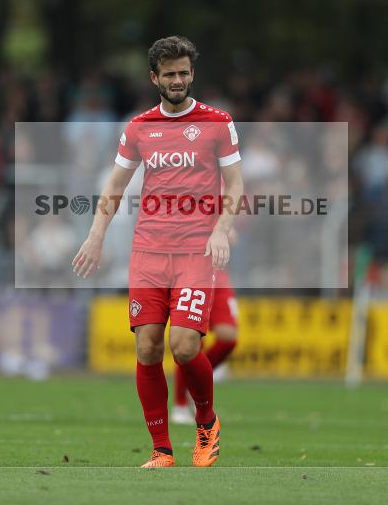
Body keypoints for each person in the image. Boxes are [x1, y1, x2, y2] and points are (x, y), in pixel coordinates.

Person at [72, 36, 243, 468]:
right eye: (170, 74)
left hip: (194, 253)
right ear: (155, 78)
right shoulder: (138, 128)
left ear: (192, 73)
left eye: (184, 72)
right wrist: (96, 235)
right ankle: (162, 450)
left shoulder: (218, 122)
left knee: (185, 346)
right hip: (149, 252)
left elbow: (236, 186)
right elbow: (114, 187)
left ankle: (207, 424)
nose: (178, 80)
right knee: (148, 348)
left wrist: (222, 229)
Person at [172, 266, 239, 425]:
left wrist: (226, 239)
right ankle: (180, 405)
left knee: (228, 338)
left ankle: (195, 381)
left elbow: (233, 240)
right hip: (191, 271)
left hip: (218, 275)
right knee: (189, 343)